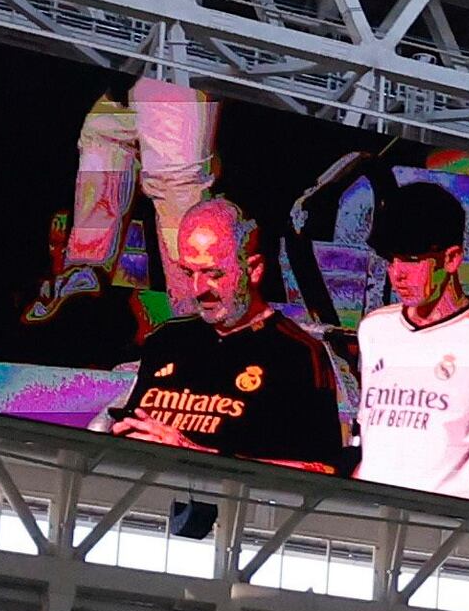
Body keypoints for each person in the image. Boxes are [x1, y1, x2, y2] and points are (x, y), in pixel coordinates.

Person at [101, 200, 350, 472]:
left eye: (213, 273)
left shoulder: (296, 353)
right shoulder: (167, 339)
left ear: (253, 270)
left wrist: (195, 453)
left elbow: (322, 470)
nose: (198, 289)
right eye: (188, 272)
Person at [349, 179, 469, 507]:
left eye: (410, 258)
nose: (397, 274)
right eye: (390, 259)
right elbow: (365, 441)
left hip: (441, 521)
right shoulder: (373, 329)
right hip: (364, 511)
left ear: (451, 259)